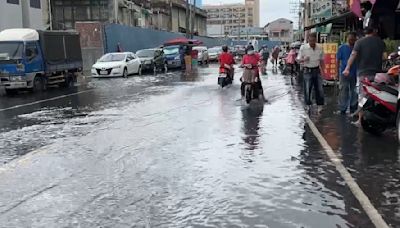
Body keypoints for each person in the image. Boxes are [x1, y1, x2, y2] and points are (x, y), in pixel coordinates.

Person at [343, 27, 386, 122]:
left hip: (363, 73)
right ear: (374, 31)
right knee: (375, 96)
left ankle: (360, 119)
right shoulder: (381, 42)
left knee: (362, 96)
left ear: (364, 33)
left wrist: (347, 68)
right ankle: (375, 117)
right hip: (377, 75)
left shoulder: (359, 42)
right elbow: (384, 57)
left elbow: (353, 55)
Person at [297, 33, 325, 112]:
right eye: (310, 41)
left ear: (316, 40)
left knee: (319, 89)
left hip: (317, 70)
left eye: (313, 40)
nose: (312, 42)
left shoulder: (320, 47)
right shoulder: (303, 47)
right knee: (307, 88)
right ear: (308, 40)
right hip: (307, 70)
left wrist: (323, 71)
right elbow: (298, 59)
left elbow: (322, 60)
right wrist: (303, 59)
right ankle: (308, 104)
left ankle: (320, 105)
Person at [337, 32, 358, 115]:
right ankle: (343, 108)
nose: (351, 41)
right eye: (350, 39)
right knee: (343, 90)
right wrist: (336, 72)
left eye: (353, 39)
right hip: (343, 72)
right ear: (347, 38)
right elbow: (338, 60)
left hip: (355, 72)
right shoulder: (342, 48)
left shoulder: (357, 48)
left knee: (354, 90)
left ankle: (353, 107)